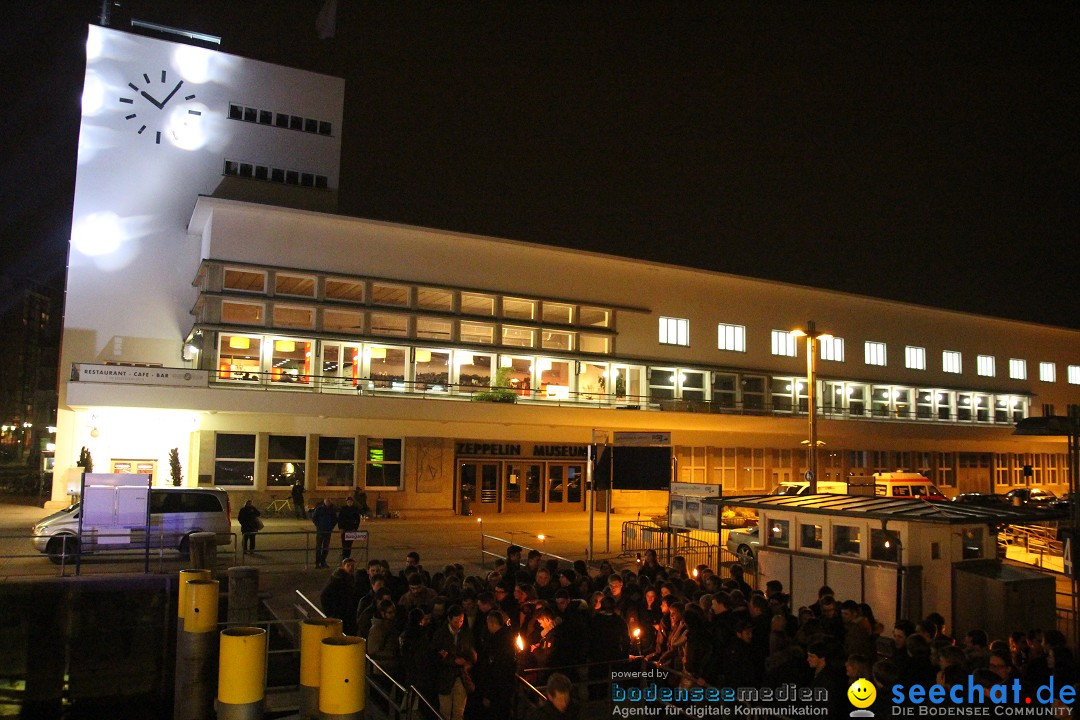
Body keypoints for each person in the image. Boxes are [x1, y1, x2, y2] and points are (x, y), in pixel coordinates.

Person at [433, 605, 476, 720]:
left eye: (461, 621)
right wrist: (453, 661)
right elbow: (435, 655)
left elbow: (471, 652)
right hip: (445, 677)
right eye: (456, 621)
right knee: (444, 713)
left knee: (459, 712)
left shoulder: (466, 633)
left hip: (461, 676)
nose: (458, 624)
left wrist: (469, 661)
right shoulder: (440, 634)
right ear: (449, 619)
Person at [320, 558, 359, 635]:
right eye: (348, 566)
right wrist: (331, 613)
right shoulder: (336, 579)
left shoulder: (351, 578)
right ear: (343, 566)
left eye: (352, 566)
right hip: (339, 613)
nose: (351, 568)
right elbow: (324, 596)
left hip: (346, 613)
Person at [311, 497, 338, 569]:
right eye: (327, 501)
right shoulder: (319, 509)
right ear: (324, 502)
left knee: (326, 547)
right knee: (318, 547)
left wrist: (331, 527)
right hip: (320, 531)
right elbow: (314, 518)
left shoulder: (332, 510)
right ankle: (317, 563)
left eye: (329, 502)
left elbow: (335, 520)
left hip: (328, 531)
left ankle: (323, 561)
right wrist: (318, 526)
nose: (328, 503)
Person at [337, 496, 362, 560]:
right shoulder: (343, 509)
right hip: (344, 530)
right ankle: (344, 558)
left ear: (352, 502)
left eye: (350, 502)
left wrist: (355, 528)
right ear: (346, 502)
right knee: (344, 545)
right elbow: (340, 519)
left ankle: (347, 557)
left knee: (349, 545)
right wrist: (340, 528)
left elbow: (357, 520)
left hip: (351, 530)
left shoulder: (355, 510)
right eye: (348, 502)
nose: (349, 503)